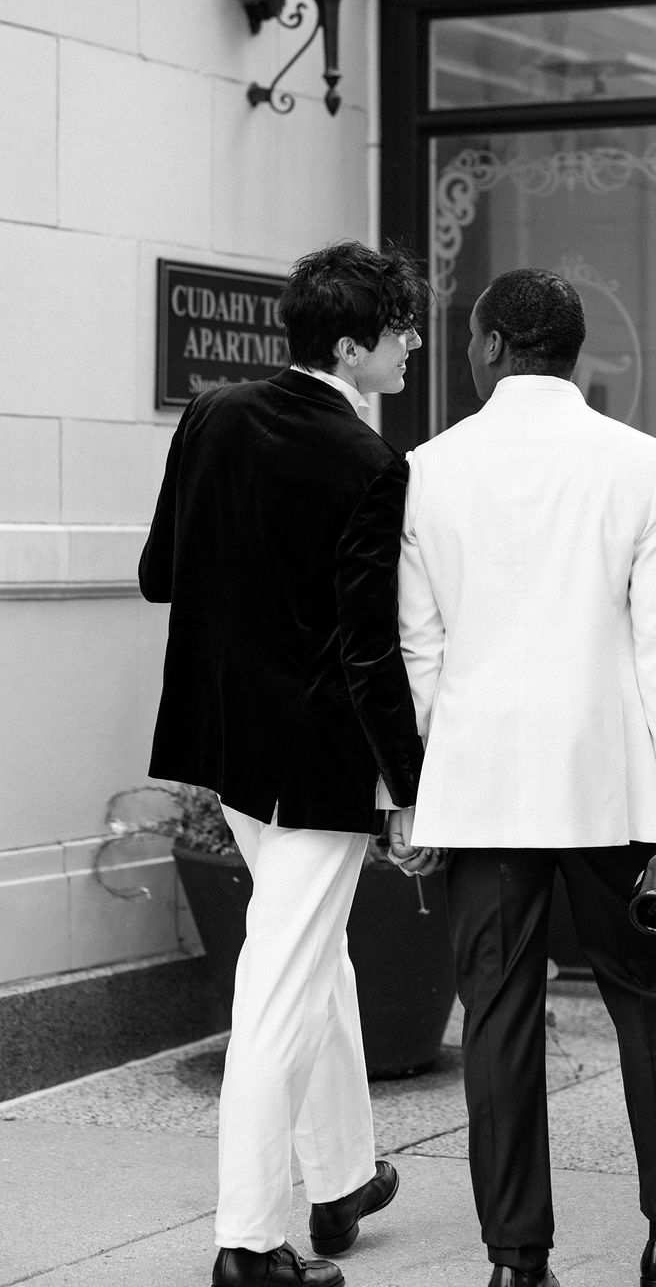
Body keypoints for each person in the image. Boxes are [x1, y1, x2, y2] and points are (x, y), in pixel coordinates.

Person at [393, 269, 656, 1287]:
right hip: (608, 785)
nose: (468, 353)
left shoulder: (427, 469)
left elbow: (419, 649)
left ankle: (518, 1264)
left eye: (471, 339)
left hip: (482, 789)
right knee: (647, 995)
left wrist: (414, 795)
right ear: (574, 352)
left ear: (494, 346)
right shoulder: (642, 463)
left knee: (497, 1015)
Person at [139, 240, 431, 1287]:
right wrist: (410, 787)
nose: (412, 345)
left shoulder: (212, 414)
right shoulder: (371, 463)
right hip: (314, 767)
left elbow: (159, 573)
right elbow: (369, 651)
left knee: (312, 959)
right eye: (398, 331)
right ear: (350, 347)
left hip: (229, 743)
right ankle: (250, 1240)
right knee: (281, 986)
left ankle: (342, 1177)